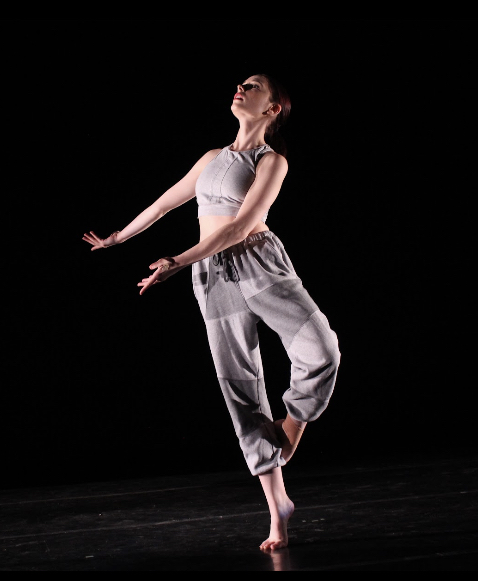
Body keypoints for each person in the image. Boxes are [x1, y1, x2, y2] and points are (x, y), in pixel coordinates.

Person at [82, 74, 341, 552]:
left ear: (273, 109)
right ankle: (278, 510)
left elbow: (241, 226)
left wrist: (177, 261)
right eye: (241, 83)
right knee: (240, 386)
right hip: (212, 276)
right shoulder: (211, 158)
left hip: (259, 263)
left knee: (321, 349)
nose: (241, 88)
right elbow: (164, 204)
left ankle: (292, 426)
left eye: (254, 86)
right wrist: (118, 237)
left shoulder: (272, 160)